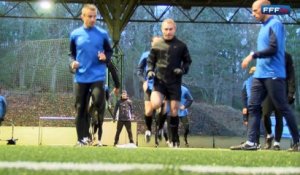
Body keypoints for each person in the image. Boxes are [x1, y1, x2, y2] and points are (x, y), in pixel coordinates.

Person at [236, 0, 299, 151]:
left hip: (273, 74)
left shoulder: (275, 24)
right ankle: (252, 142)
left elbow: (273, 48)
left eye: (256, 10)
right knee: (253, 106)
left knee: (282, 107)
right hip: (260, 74)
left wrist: (252, 55)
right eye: (252, 10)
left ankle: (297, 141)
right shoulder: (263, 27)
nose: (253, 14)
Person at [69, 4, 115, 146]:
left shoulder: (102, 34)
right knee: (80, 109)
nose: (93, 19)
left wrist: (105, 58)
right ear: (82, 16)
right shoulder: (75, 34)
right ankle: (81, 139)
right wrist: (72, 64)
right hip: (81, 77)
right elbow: (71, 55)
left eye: (95, 16)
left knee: (97, 101)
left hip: (97, 76)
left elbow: (109, 52)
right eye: (90, 16)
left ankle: (92, 124)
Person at [147, 18, 192, 147]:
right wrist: (150, 70)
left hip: (175, 82)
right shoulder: (157, 45)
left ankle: (174, 140)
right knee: (156, 104)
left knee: (173, 111)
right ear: (162, 30)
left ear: (174, 29)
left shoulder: (181, 45)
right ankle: (160, 126)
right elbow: (151, 60)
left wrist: (182, 69)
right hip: (160, 81)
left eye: (170, 29)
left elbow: (188, 61)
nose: (168, 32)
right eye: (165, 29)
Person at [262, 52, 296, 150]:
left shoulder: (287, 56)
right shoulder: (266, 54)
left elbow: (291, 76)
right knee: (265, 115)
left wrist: (291, 92)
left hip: (282, 90)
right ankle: (269, 135)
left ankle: (277, 142)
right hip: (268, 90)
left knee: (279, 117)